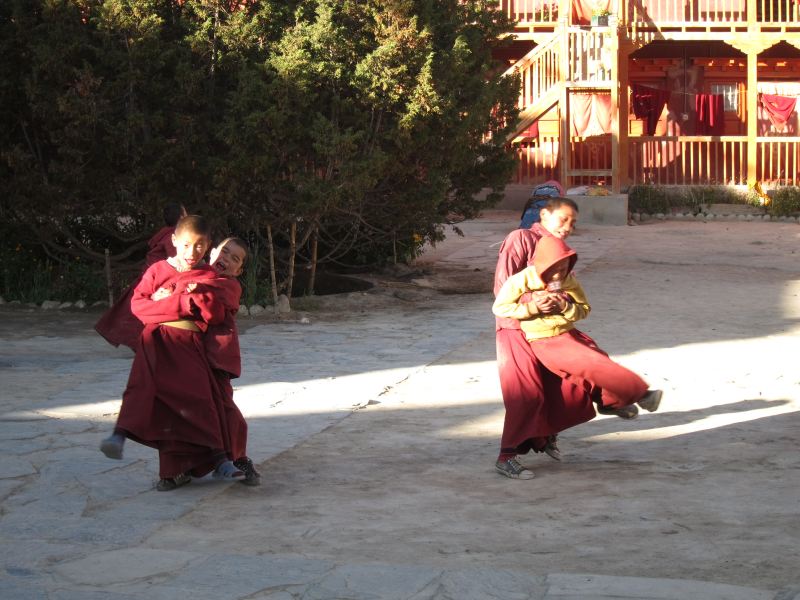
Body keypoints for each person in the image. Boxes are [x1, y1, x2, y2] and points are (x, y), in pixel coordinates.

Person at [492, 235, 662, 479]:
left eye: (564, 268)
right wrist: (532, 307)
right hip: (539, 341)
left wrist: (564, 307)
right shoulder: (521, 275)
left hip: (567, 333)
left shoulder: (568, 280)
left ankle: (612, 401)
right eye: (553, 269)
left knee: (593, 366)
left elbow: (583, 309)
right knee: (533, 395)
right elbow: (500, 307)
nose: (558, 275)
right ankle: (639, 394)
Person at [99, 215, 245, 491]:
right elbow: (139, 308)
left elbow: (213, 314)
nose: (193, 253)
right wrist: (187, 301)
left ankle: (220, 459)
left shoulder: (210, 275)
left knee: (199, 401)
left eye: (200, 246)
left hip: (188, 342)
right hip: (154, 342)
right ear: (175, 241)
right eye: (188, 245)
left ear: (207, 246)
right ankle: (120, 436)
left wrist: (175, 298)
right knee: (143, 393)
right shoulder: (157, 270)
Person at [494, 197, 595, 480]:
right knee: (525, 393)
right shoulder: (521, 238)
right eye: (562, 219)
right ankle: (507, 456)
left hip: (550, 329)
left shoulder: (560, 250)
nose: (567, 227)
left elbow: (566, 290)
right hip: (516, 326)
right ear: (544, 214)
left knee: (564, 383)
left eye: (573, 223)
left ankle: (545, 435)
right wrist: (533, 302)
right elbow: (502, 286)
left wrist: (561, 303)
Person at [154, 237, 260, 486]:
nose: (226, 259)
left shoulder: (230, 286)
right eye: (224, 252)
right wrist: (169, 293)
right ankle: (176, 469)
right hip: (183, 353)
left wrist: (172, 295)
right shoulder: (189, 273)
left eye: (235, 259)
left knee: (225, 409)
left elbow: (207, 309)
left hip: (215, 357)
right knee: (178, 410)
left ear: (239, 271)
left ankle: (238, 457)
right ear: (212, 252)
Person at [94, 201, 187, 350]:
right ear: (182, 218)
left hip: (151, 277)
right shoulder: (172, 236)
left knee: (133, 315)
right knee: (141, 315)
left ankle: (143, 345)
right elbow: (177, 259)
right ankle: (144, 345)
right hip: (156, 281)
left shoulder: (166, 233)